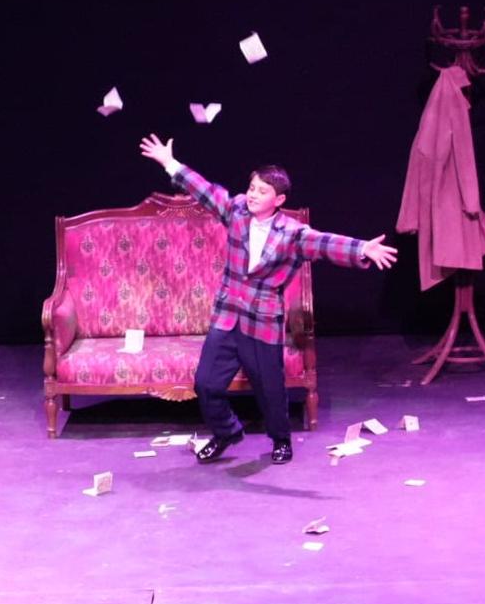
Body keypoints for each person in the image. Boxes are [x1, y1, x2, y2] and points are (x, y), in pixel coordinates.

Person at [139, 135, 398, 464]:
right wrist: (169, 162)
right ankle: (226, 432)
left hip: (262, 321)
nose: (252, 195)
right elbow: (206, 191)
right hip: (227, 315)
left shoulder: (291, 233)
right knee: (205, 384)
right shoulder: (235, 211)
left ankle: (281, 439)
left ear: (279, 199)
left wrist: (361, 249)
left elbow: (324, 243)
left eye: (262, 191)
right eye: (252, 188)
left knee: (270, 388)